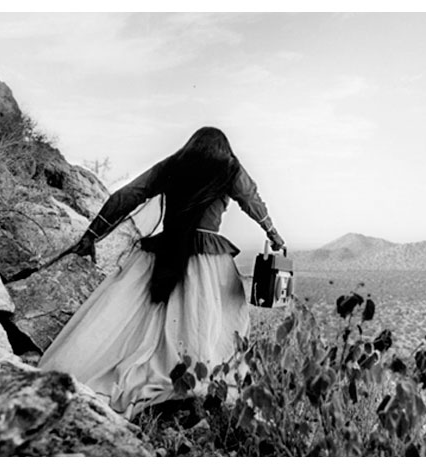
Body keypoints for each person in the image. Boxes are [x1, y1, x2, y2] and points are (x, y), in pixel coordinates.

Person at [38, 127, 285, 418]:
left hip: (163, 251)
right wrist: (273, 234)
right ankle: (198, 380)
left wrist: (93, 233)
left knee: (137, 318)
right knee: (211, 320)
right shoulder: (228, 167)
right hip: (207, 259)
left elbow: (129, 195)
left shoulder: (175, 163)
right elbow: (251, 199)